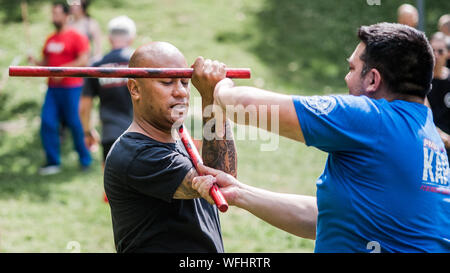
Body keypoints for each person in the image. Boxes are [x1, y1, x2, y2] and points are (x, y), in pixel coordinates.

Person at [191, 23, 450, 252]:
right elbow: (327, 218)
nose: (346, 78)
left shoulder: (372, 118)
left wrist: (217, 84)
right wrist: (240, 194)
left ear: (372, 79)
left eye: (351, 68)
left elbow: (245, 105)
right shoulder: (428, 136)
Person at [103, 41, 237, 253]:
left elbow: (227, 178)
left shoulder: (181, 137)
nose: (181, 92)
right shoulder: (134, 154)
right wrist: (211, 99)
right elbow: (220, 182)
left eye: (185, 82)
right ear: (135, 88)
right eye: (167, 82)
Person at [28, 1, 92, 175]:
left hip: (72, 88)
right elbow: (46, 63)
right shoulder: (51, 39)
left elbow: (83, 60)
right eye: (52, 13)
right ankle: (52, 162)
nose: (54, 17)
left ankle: (85, 159)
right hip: (52, 90)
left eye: (57, 14)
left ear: (66, 15)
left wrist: (62, 72)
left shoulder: (76, 37)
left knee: (75, 124)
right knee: (47, 122)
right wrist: (35, 62)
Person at [80, 15, 136, 164]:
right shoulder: (141, 64)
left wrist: (87, 131)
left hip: (110, 135)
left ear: (110, 38)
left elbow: (85, 106)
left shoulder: (97, 65)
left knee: (111, 185)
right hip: (141, 135)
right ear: (131, 38)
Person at [426, 32, 450, 160]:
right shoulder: (420, 82)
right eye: (432, 50)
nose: (435, 55)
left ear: (448, 53)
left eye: (440, 51)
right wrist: (438, 135)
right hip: (427, 145)